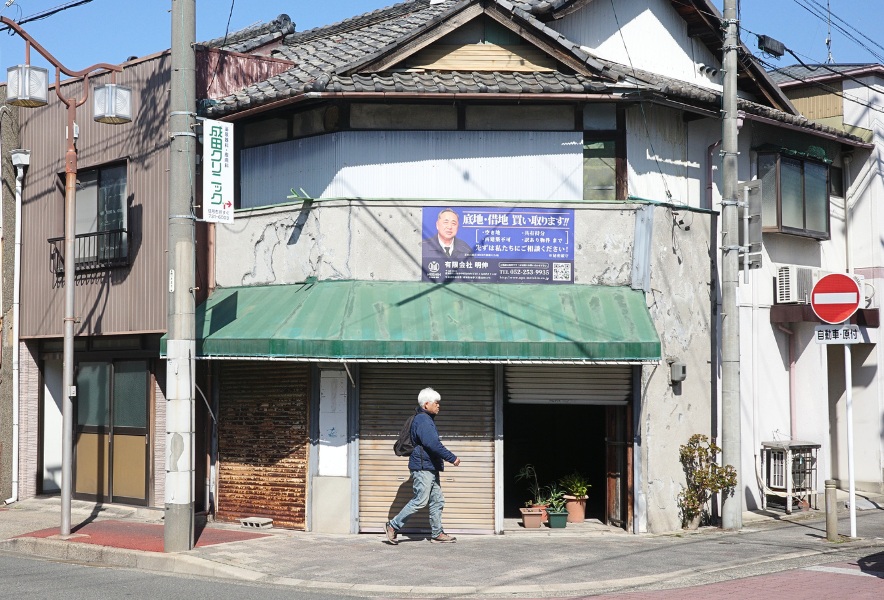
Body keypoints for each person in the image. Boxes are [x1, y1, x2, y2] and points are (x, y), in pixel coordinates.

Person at [385, 387, 461, 544]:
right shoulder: (423, 420)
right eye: (436, 403)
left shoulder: (426, 419)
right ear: (426, 404)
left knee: (437, 500)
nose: (439, 406)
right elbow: (432, 443)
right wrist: (451, 458)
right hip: (422, 467)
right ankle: (393, 525)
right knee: (420, 500)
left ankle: (437, 533)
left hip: (429, 466)